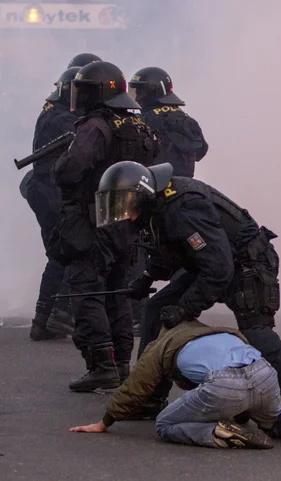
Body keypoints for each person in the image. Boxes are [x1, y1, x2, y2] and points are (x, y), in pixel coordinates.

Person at [93, 160, 281, 423]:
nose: (127, 216)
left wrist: (185, 308)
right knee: (156, 309)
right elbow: (173, 247)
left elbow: (219, 269)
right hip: (214, 262)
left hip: (248, 264)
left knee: (257, 336)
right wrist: (147, 278)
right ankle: (149, 397)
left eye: (129, 207)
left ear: (143, 195)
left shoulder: (182, 208)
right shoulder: (158, 206)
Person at [69, 318, 281, 448]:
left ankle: (219, 433)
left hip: (225, 385)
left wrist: (106, 420)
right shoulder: (219, 331)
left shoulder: (162, 345)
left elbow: (136, 386)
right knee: (271, 418)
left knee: (165, 425)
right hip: (264, 372)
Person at [52, 61, 160, 392]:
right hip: (125, 221)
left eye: (85, 90)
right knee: (118, 294)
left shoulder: (95, 127)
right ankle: (120, 364)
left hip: (92, 220)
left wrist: (59, 164)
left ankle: (100, 364)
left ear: (100, 92)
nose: (80, 96)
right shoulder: (137, 125)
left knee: (87, 290)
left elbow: (70, 171)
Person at [127, 67, 209, 336]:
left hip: (153, 193)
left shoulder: (147, 119)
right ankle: (178, 307)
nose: (134, 96)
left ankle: (139, 313)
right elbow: (202, 150)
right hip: (184, 193)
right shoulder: (186, 118)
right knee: (183, 250)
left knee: (139, 250)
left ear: (149, 91)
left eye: (137, 90)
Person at [25, 67, 81, 341]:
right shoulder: (60, 118)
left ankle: (46, 319)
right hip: (51, 192)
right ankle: (55, 315)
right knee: (66, 252)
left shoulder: (58, 112)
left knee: (61, 253)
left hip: (51, 190)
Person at [128, 67, 208, 177]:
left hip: (155, 185)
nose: (136, 99)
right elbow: (201, 152)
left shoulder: (142, 120)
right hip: (184, 187)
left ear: (152, 91)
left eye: (140, 93)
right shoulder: (187, 119)